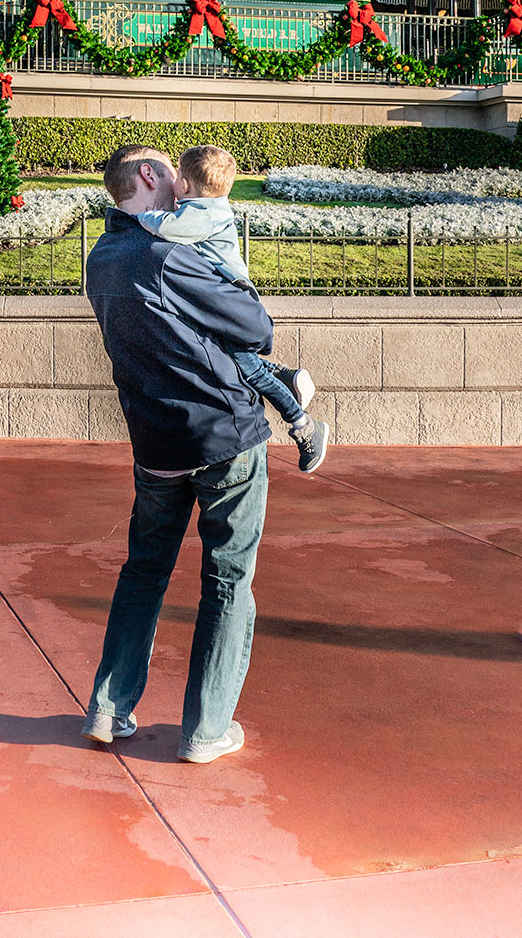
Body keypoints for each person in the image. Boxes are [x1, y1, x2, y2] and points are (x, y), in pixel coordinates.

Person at [81, 144, 276, 764]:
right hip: (222, 438)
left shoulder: (102, 257)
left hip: (154, 443)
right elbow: (255, 327)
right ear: (149, 175)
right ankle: (207, 729)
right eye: (171, 170)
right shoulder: (167, 254)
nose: (185, 183)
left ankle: (110, 709)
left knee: (143, 572)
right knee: (227, 579)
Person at [134, 143, 329, 473]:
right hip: (225, 294)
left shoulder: (203, 213)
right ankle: (286, 375)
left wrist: (140, 216)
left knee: (247, 369)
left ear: (184, 184)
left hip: (230, 297)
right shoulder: (207, 207)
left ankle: (304, 425)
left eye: (178, 174)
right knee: (231, 358)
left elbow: (168, 229)